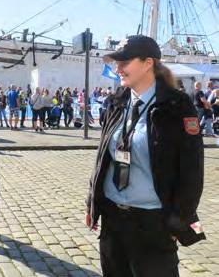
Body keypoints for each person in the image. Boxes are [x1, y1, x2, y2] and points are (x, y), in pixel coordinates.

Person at [86, 35, 206, 277]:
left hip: (153, 223)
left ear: (148, 62)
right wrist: (93, 201)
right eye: (116, 62)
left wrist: (178, 220)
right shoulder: (117, 101)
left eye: (125, 62)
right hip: (113, 218)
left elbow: (192, 171)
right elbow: (103, 158)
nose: (118, 68)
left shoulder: (176, 105)